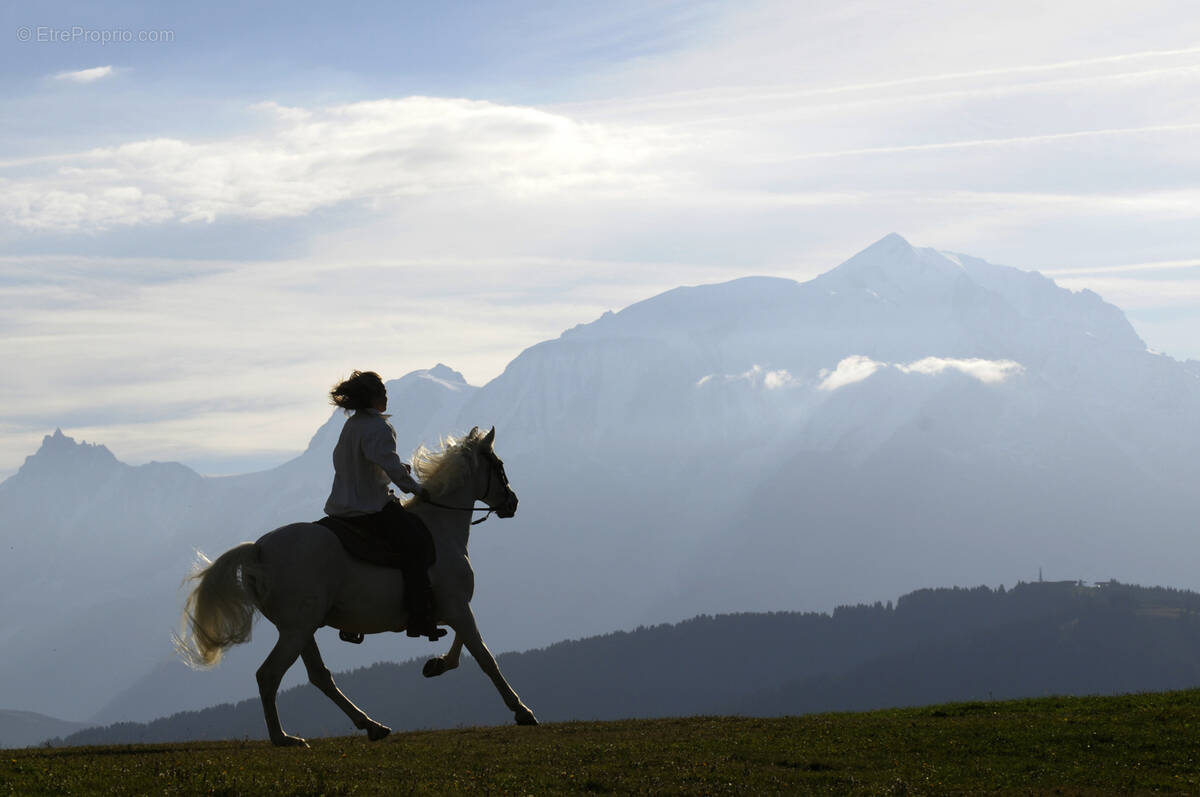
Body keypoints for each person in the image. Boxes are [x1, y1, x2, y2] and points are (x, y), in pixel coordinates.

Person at [324, 370, 446, 642]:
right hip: (371, 507)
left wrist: (394, 468)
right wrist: (418, 489)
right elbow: (389, 467)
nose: (387, 397)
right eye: (384, 393)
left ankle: (350, 618)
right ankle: (420, 617)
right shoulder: (378, 427)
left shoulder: (352, 426)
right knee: (418, 546)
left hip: (340, 508)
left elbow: (368, 463)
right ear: (375, 397)